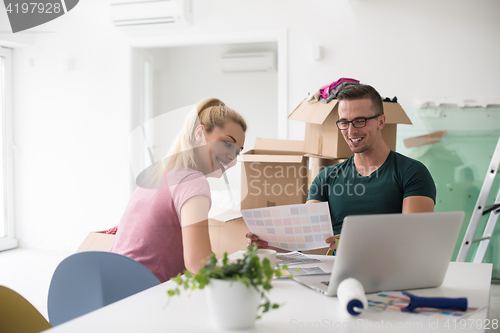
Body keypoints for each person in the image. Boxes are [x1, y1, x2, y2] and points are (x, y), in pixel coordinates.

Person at [247, 84, 436, 251]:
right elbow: (303, 236)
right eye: (344, 122)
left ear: (381, 121)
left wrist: (356, 242)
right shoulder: (327, 178)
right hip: (340, 276)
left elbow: (415, 239)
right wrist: (268, 242)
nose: (351, 131)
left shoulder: (412, 173)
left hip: (394, 276)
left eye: (360, 121)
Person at [111, 98, 246, 282]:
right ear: (200, 133)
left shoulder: (158, 174)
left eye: (238, 151)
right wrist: (252, 266)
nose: (233, 157)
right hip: (144, 294)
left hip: (115, 288)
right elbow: (200, 264)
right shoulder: (193, 182)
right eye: (227, 143)